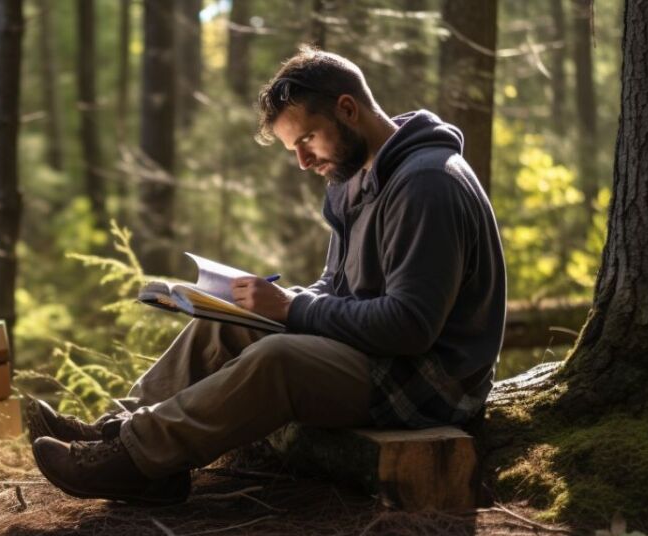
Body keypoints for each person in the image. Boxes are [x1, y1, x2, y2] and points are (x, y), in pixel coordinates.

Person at [27, 46, 506, 506]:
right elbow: (337, 290)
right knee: (227, 321)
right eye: (293, 148)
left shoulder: (426, 183)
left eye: (306, 140)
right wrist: (268, 303)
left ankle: (137, 459)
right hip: (377, 357)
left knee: (278, 358)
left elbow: (410, 326)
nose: (302, 161)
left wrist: (293, 309)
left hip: (428, 383)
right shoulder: (356, 177)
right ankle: (118, 430)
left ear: (347, 109)